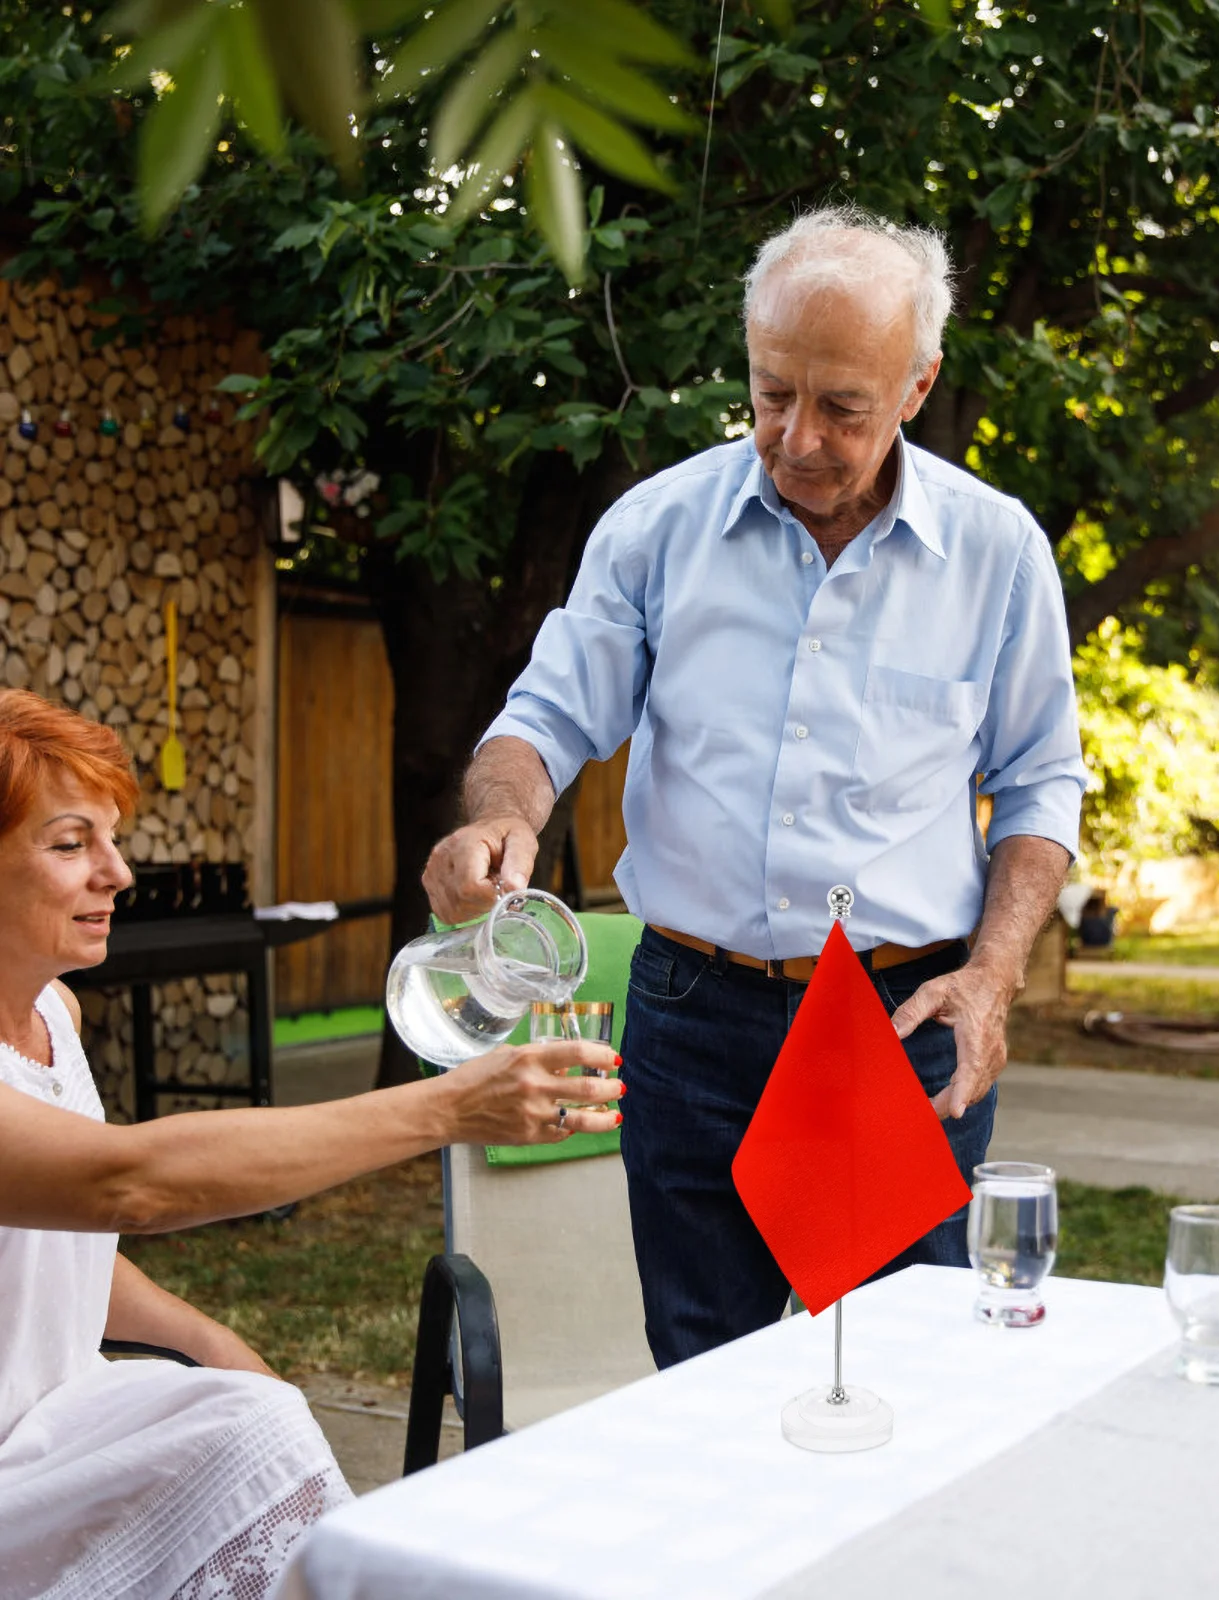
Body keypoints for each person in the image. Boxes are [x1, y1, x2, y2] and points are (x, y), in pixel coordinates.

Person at [424, 205, 1085, 1367]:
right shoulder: (655, 528)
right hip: (695, 1018)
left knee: (907, 1380)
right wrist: (498, 816)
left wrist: (993, 976)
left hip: (899, 1020)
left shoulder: (997, 550)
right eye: (772, 392)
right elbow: (544, 719)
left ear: (918, 383)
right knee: (701, 1377)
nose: (799, 438)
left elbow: (1039, 781)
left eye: (844, 407)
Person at [0, 690, 621, 1599]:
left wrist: (209, 1342)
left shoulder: (55, 1011)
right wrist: (446, 1109)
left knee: (257, 1418)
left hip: (58, 1412)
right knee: (253, 1442)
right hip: (20, 1458)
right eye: (69, 844)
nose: (118, 873)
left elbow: (49, 1246)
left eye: (111, 837)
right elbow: (123, 1187)